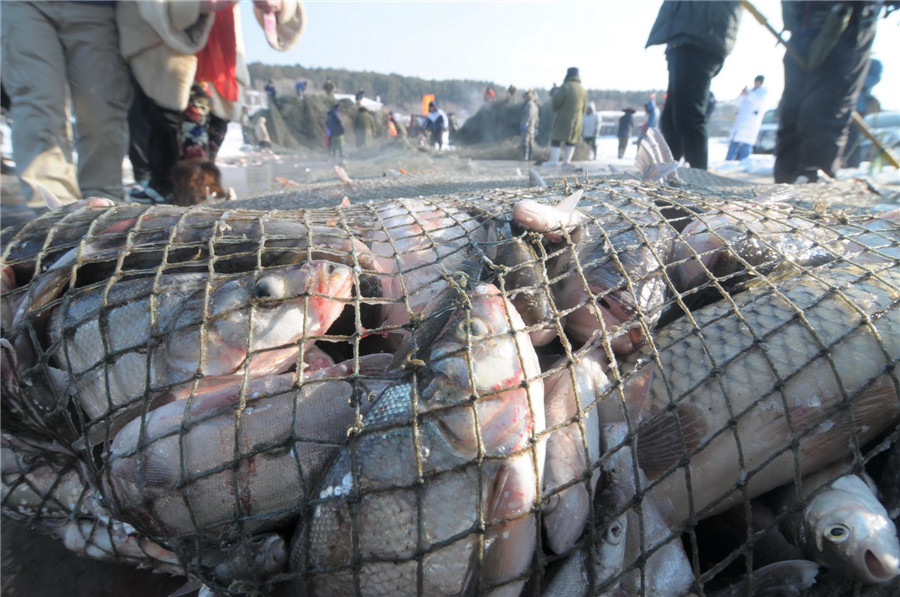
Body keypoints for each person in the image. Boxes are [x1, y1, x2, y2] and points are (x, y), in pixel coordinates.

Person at [119, 0, 306, 203]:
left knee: (209, 141)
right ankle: (172, 191)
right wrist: (193, 5)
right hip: (167, 57)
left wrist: (279, 4)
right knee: (176, 146)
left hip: (222, 62)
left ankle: (191, 193)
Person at [1, 1, 131, 209]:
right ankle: (53, 205)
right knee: (37, 100)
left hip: (97, 8)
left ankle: (104, 200)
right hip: (24, 5)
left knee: (101, 107)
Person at [774, 1, 882, 183]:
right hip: (804, 25)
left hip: (847, 22)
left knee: (823, 111)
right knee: (793, 111)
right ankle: (785, 184)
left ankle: (811, 184)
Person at [646, 1, 743, 170]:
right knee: (671, 119)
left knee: (689, 116)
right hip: (683, 37)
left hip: (700, 38)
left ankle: (698, 174)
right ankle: (668, 174)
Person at [547, 66, 588, 170]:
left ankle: (554, 162)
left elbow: (556, 102)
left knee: (556, 139)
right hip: (577, 121)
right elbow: (584, 108)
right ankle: (567, 162)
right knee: (571, 141)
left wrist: (555, 109)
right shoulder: (583, 90)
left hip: (563, 119)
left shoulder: (565, 87)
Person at [726, 75, 768, 161]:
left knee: (746, 144)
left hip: (751, 122)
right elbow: (737, 103)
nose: (756, 83)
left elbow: (758, 102)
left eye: (758, 82)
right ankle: (729, 161)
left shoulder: (763, 92)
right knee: (734, 142)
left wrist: (748, 94)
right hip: (741, 120)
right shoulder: (749, 91)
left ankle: (745, 161)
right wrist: (742, 94)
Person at [520, 89, 540, 161]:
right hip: (532, 127)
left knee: (525, 141)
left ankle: (525, 156)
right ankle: (530, 157)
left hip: (527, 127)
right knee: (531, 142)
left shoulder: (529, 105)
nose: (523, 99)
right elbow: (537, 118)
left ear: (527, 97)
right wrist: (536, 127)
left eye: (524, 97)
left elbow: (528, 115)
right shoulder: (535, 106)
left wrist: (524, 124)